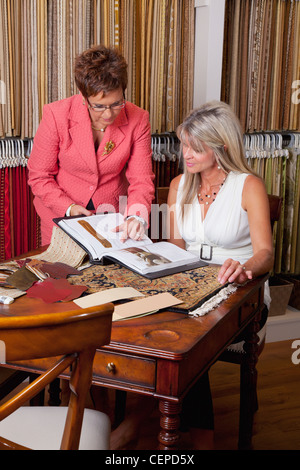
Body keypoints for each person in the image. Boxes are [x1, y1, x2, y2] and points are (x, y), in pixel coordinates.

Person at [167, 100, 274, 448]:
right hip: (193, 286)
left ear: (220, 148)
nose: (187, 153)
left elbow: (266, 254)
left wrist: (244, 269)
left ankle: (202, 442)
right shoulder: (179, 185)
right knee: (160, 335)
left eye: (196, 147)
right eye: (184, 144)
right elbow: (175, 250)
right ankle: (148, 418)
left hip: (242, 289)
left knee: (189, 345)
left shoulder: (248, 185)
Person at [28, 45, 155, 246]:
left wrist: (136, 216)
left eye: (116, 104)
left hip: (112, 220)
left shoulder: (139, 119)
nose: (108, 114)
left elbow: (142, 180)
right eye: (99, 106)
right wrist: (68, 207)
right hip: (60, 217)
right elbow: (39, 176)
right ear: (83, 95)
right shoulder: (56, 115)